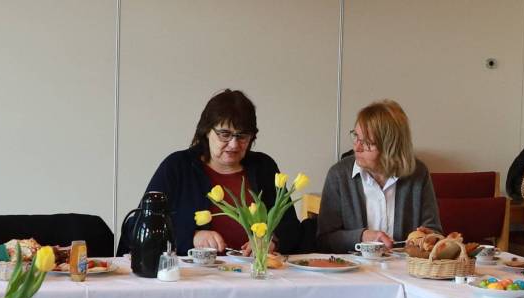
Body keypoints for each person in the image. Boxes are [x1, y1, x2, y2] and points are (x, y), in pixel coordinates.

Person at [138, 88, 302, 257]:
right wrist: (192, 237)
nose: (234, 144)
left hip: (254, 272)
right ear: (207, 131)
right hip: (195, 276)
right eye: (225, 134)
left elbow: (292, 228)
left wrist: (271, 240)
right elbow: (141, 225)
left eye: (242, 136)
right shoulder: (177, 166)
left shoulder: (264, 167)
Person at [315, 100, 442, 253]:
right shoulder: (339, 175)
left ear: (390, 147)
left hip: (404, 270)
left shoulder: (417, 173)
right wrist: (363, 237)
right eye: (356, 136)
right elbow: (324, 240)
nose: (357, 147)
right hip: (352, 271)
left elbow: (434, 232)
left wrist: (426, 238)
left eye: (367, 143)